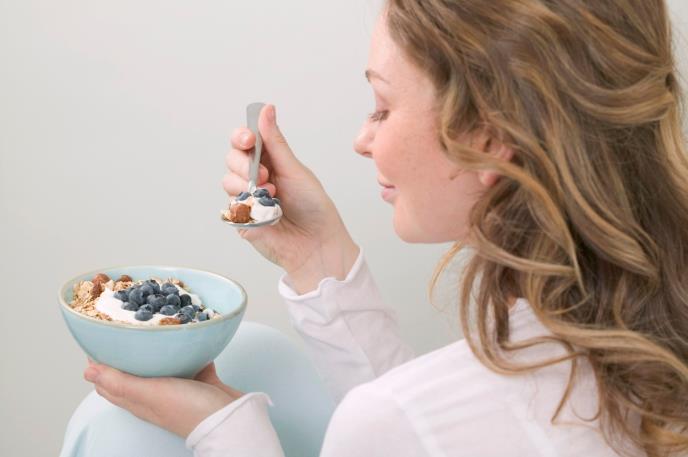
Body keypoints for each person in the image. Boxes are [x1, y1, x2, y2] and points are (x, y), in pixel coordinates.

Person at [83, 0, 688, 456]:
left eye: (382, 107)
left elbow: (412, 426)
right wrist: (317, 257)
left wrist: (227, 435)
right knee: (258, 352)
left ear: (489, 137)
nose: (362, 139)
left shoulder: (395, 421)